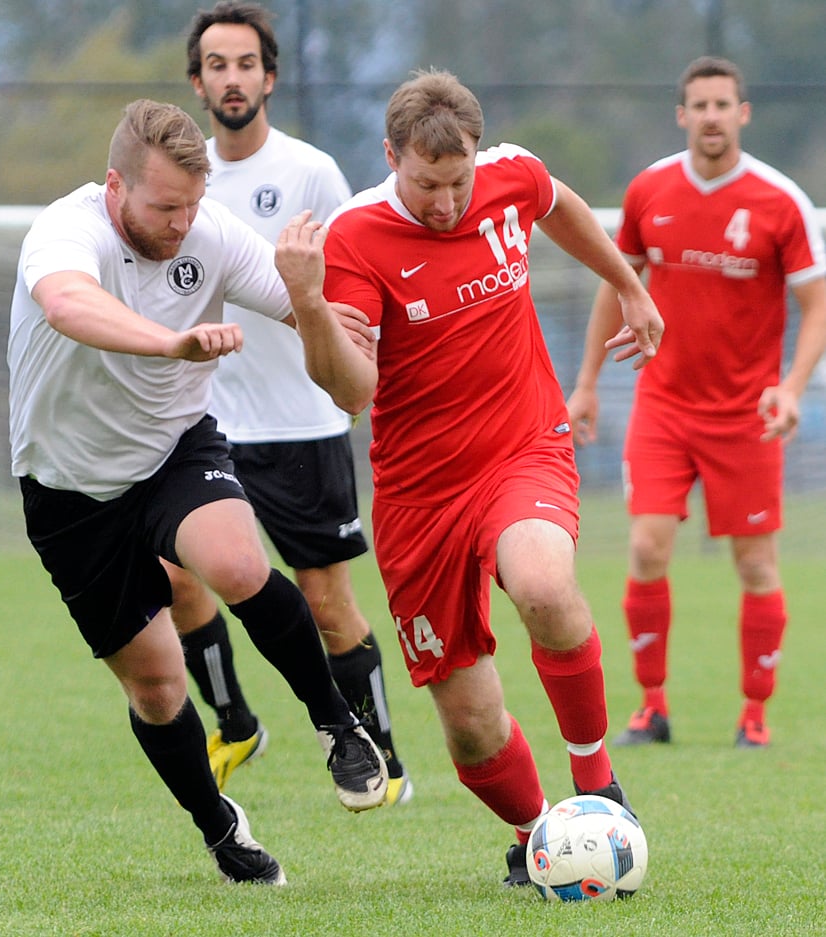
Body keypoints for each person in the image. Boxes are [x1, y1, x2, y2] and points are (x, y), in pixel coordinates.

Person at [273, 68, 664, 885]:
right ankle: (538, 839)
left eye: (459, 182)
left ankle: (599, 785)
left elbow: (560, 205)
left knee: (545, 586)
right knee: (472, 726)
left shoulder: (510, 175)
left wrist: (626, 284)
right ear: (391, 157)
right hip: (419, 496)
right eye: (426, 183)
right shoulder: (354, 239)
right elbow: (351, 391)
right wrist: (309, 305)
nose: (446, 203)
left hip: (523, 445)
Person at [7, 98, 389, 886]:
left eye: (192, 204)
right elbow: (67, 304)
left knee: (238, 564)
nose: (182, 223)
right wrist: (170, 341)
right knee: (154, 684)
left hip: (175, 451)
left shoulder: (209, 233)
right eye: (164, 206)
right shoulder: (65, 230)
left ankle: (338, 724)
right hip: (68, 490)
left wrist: (315, 301)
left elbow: (321, 319)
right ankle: (222, 829)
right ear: (115, 186)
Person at [172, 0, 412, 803]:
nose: (232, 77)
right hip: (204, 424)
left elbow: (349, 289)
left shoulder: (309, 172)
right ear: (198, 83)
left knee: (325, 600)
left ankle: (381, 754)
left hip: (301, 421)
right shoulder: (187, 179)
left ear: (269, 76)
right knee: (175, 573)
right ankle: (236, 719)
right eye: (216, 65)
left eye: (245, 63)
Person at [567, 56, 826, 749]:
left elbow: (816, 303)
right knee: (647, 547)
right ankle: (652, 707)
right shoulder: (651, 189)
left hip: (747, 415)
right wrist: (587, 382)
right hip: (664, 406)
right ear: (682, 115)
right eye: (699, 106)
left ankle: (755, 714)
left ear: (743, 113)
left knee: (754, 564)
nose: (711, 116)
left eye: (723, 104)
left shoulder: (781, 201)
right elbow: (614, 286)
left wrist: (792, 389)